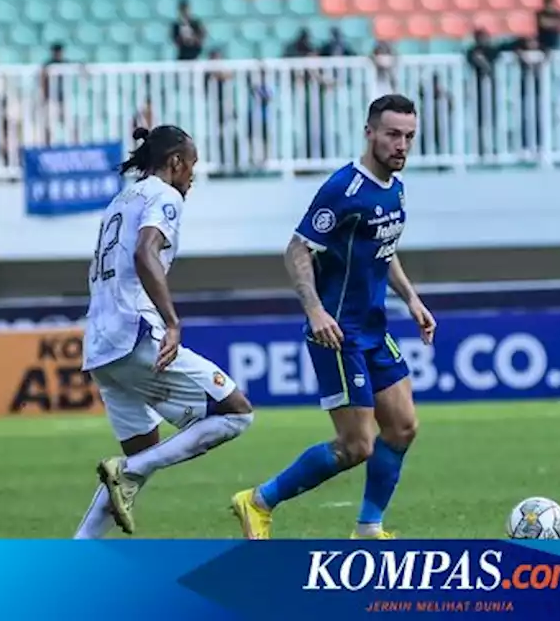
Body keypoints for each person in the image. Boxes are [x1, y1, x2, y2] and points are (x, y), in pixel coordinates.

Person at [231, 95, 435, 540]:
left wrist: (412, 299)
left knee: (402, 426)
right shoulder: (343, 189)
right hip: (338, 333)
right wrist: (315, 310)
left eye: (409, 137)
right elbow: (297, 248)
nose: (401, 145)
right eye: (393, 134)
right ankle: (258, 501)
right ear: (369, 133)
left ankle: (368, 526)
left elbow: (383, 248)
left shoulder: (395, 188)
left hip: (375, 329)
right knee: (356, 445)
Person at [73, 125, 255, 539]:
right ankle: (127, 471)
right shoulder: (165, 195)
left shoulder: (122, 198)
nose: (193, 176)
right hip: (135, 332)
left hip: (101, 344)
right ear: (175, 162)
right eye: (191, 166)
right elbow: (145, 251)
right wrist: (172, 320)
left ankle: (77, 551)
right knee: (237, 413)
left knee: (143, 455)